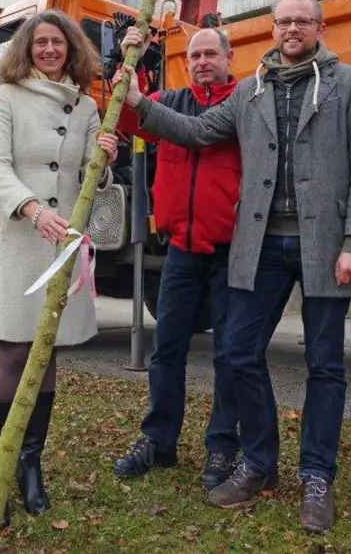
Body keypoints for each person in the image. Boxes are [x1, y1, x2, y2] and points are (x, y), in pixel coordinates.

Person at [117, 0, 351, 535]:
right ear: (272, 30)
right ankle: (260, 461)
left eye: (301, 21)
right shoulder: (249, 91)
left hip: (326, 246)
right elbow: (194, 132)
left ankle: (316, 475)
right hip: (260, 246)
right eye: (283, 21)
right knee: (237, 352)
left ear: (319, 27)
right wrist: (138, 103)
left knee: (325, 365)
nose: (292, 29)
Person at [0, 9, 118, 526]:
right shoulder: (7, 97)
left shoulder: (87, 106)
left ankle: (30, 466)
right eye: (41, 43)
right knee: (13, 349)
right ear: (28, 49)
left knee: (47, 350)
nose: (50, 50)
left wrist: (107, 156)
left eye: (58, 43)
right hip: (20, 237)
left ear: (72, 50)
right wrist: (31, 208)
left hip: (64, 243)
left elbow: (91, 177)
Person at [108, 27, 243, 492]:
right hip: (181, 250)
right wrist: (127, 56)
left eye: (211, 53)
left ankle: (223, 446)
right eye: (195, 55)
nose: (202, 61)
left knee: (230, 354)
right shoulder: (170, 101)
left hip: (230, 250)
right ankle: (159, 441)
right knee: (166, 350)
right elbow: (126, 111)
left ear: (229, 57)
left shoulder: (245, 105)